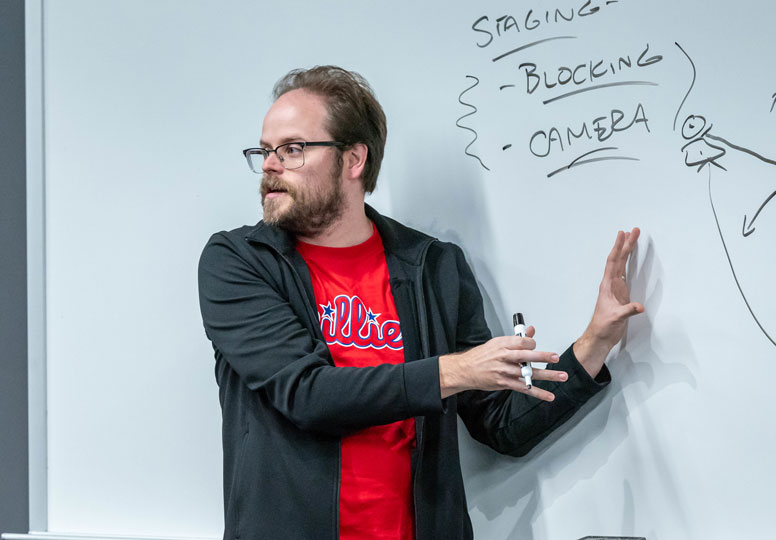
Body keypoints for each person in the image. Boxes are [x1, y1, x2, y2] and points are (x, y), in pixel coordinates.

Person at [197, 65, 643, 540]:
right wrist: (454, 371)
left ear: (353, 160)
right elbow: (307, 394)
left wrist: (594, 343)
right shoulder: (239, 262)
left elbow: (499, 425)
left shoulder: (432, 267)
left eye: (292, 149)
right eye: (265, 151)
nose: (269, 165)